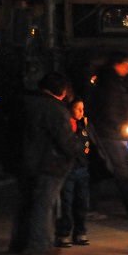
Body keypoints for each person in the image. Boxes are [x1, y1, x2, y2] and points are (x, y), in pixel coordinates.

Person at [15, 72, 82, 255]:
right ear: (61, 90)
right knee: (43, 205)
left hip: (27, 161)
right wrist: (79, 149)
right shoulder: (54, 109)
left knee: (27, 204)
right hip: (49, 163)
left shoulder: (26, 103)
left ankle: (20, 242)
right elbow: (65, 141)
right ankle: (39, 244)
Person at [87, 51, 128, 214]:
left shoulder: (111, 81)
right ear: (118, 64)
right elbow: (111, 110)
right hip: (111, 133)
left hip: (112, 132)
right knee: (121, 169)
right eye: (127, 65)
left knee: (117, 168)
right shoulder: (111, 84)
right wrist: (122, 127)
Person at [56, 98, 91, 247]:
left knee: (82, 202)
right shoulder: (67, 126)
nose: (81, 112)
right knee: (66, 203)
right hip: (69, 170)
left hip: (82, 169)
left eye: (82, 109)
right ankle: (63, 234)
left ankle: (80, 232)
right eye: (78, 109)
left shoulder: (83, 126)